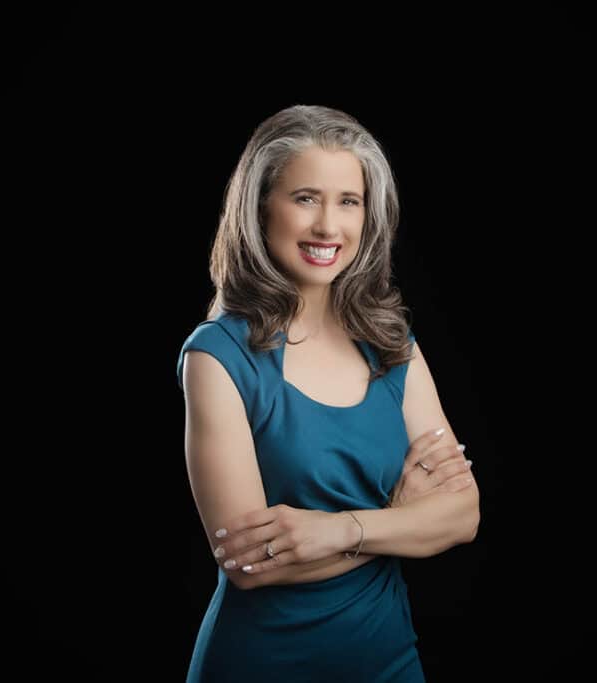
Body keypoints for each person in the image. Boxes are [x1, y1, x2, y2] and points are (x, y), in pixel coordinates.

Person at [176, 104, 480, 682]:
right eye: (305, 198)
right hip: (260, 664)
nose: (327, 227)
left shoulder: (391, 345)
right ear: (261, 206)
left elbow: (464, 515)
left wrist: (342, 529)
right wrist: (402, 521)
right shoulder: (216, 356)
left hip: (389, 660)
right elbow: (249, 563)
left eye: (348, 202)